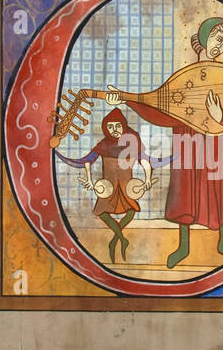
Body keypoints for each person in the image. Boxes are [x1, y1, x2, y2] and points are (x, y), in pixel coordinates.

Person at [107, 17, 223, 269]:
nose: (221, 47)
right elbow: (160, 112)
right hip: (187, 140)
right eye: (218, 39)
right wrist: (126, 100)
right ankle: (184, 246)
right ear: (204, 37)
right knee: (185, 189)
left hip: (219, 141)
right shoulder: (183, 77)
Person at [57, 107, 156, 263]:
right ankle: (121, 239)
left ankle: (115, 240)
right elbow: (88, 161)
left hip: (125, 183)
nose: (114, 130)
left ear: (123, 126)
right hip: (108, 184)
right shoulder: (103, 144)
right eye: (110, 126)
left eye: (117, 126)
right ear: (105, 128)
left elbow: (144, 160)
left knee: (131, 210)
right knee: (102, 212)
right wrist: (89, 179)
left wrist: (148, 178)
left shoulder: (131, 143)